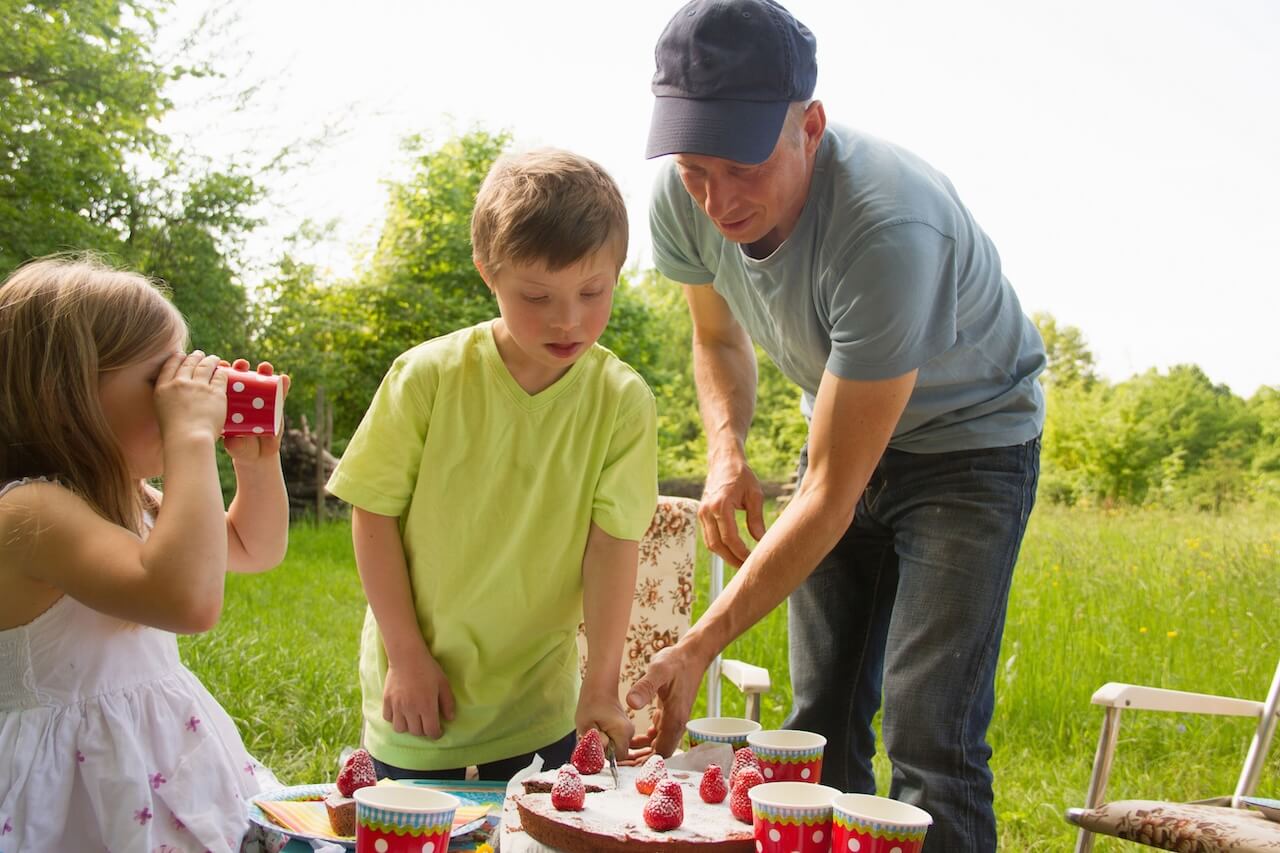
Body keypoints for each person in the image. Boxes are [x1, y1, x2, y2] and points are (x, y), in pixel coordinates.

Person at [625, 1, 1046, 850]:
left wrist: (699, 643)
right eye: (695, 167)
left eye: (740, 165)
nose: (717, 199)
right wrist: (725, 452)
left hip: (971, 447)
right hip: (846, 428)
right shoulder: (686, 198)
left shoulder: (887, 226)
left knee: (930, 734)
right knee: (814, 725)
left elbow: (827, 495)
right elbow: (716, 336)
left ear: (808, 126)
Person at [326, 149, 658, 782]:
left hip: (540, 705)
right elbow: (373, 519)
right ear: (489, 274)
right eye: (537, 296)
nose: (568, 319)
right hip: (422, 688)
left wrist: (601, 685)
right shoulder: (425, 378)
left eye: (593, 291)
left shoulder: (622, 401)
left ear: (618, 271)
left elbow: (613, 547)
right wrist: (406, 657)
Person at [0, 257, 291, 852]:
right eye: (162, 378)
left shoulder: (127, 497)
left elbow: (249, 548)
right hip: (74, 790)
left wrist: (254, 464)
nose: (180, 394)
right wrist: (188, 438)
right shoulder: (30, 511)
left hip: (150, 766)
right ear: (69, 393)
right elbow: (186, 601)